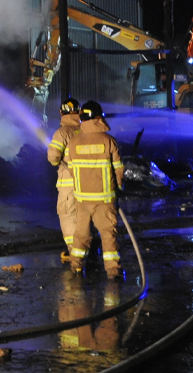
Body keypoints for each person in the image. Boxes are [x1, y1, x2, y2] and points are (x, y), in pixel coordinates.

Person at [64, 100, 125, 276]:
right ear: (99, 117)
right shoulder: (109, 141)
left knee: (81, 235)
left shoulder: (74, 142)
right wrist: (119, 188)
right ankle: (113, 271)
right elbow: (118, 171)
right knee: (108, 236)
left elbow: (72, 169)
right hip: (105, 200)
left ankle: (76, 266)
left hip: (82, 199)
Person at [47, 98, 82, 262]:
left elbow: (53, 157)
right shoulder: (86, 130)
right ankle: (87, 251)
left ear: (61, 113)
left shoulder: (62, 133)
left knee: (68, 217)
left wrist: (55, 161)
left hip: (69, 186)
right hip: (89, 184)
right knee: (85, 218)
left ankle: (75, 256)